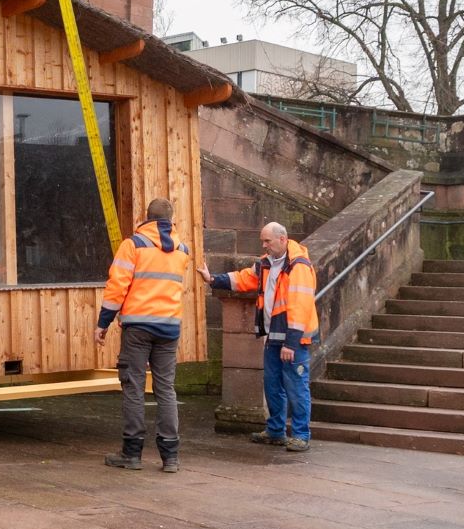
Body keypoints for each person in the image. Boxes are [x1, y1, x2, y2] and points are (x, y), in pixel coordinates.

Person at [198, 221, 319, 452]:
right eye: (263, 241)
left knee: (295, 386)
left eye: (267, 241)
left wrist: (290, 343)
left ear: (282, 240)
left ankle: (301, 435)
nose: (264, 246)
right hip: (274, 335)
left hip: (293, 340)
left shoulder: (299, 266)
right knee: (273, 384)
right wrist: (213, 279)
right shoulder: (267, 263)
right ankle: (276, 431)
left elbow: (300, 306)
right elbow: (244, 278)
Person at [97, 198, 192, 474]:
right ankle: (170, 456)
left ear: (147, 218)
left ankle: (132, 453)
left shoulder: (134, 245)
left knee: (134, 386)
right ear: (171, 221)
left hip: (138, 327)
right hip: (169, 327)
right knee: (166, 389)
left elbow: (117, 287)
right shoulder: (182, 250)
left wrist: (103, 323)